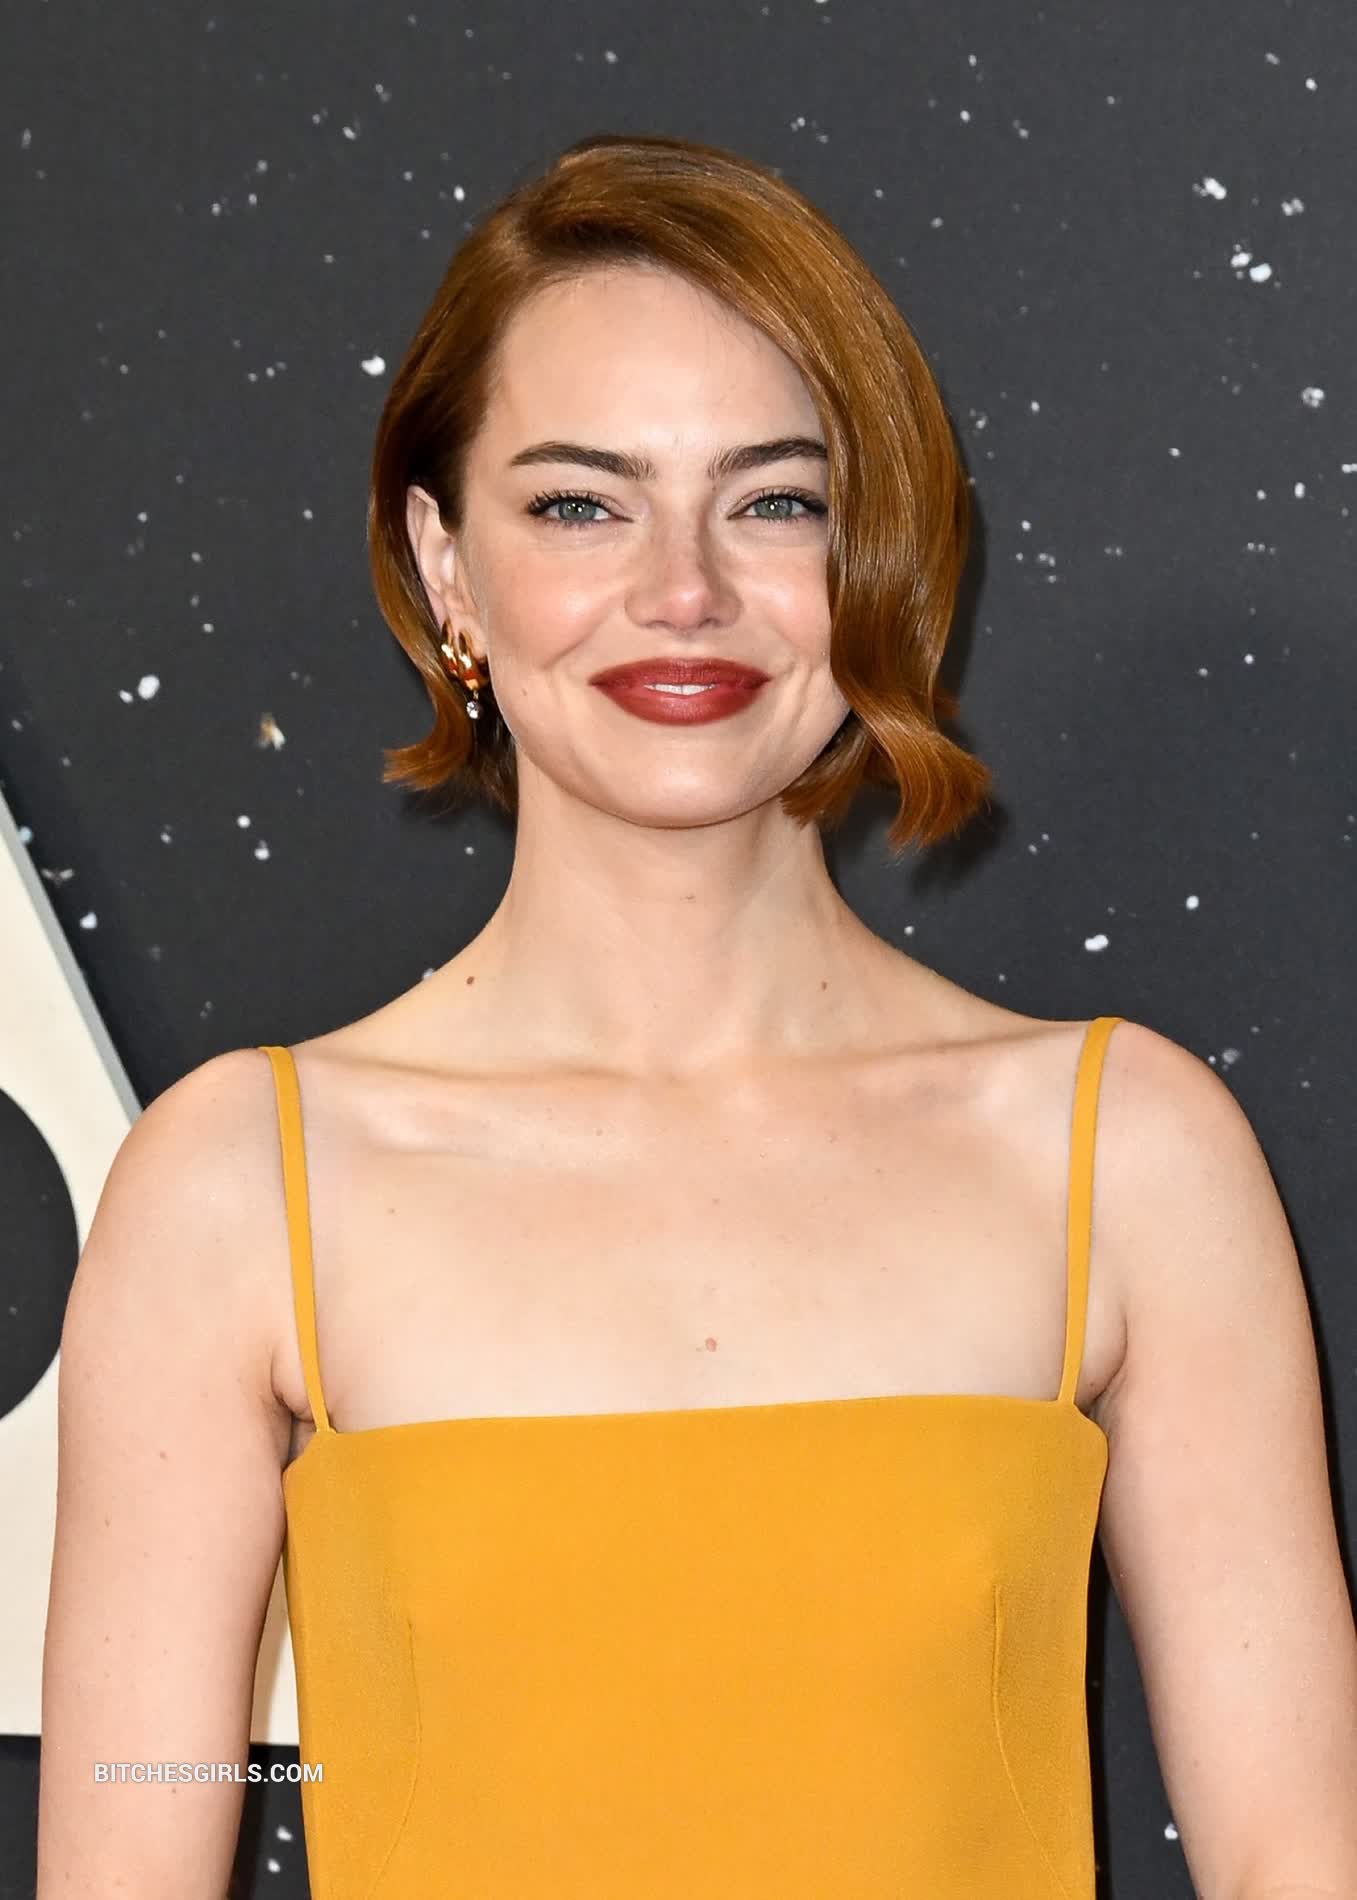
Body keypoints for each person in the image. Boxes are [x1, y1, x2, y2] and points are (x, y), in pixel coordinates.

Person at [38, 133, 1357, 1898]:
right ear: (446, 566)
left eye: (774, 501)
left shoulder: (1117, 1154)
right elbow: (139, 1822)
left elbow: (1295, 1855)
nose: (684, 592)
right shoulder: (240, 1184)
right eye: (580, 505)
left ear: (875, 551)